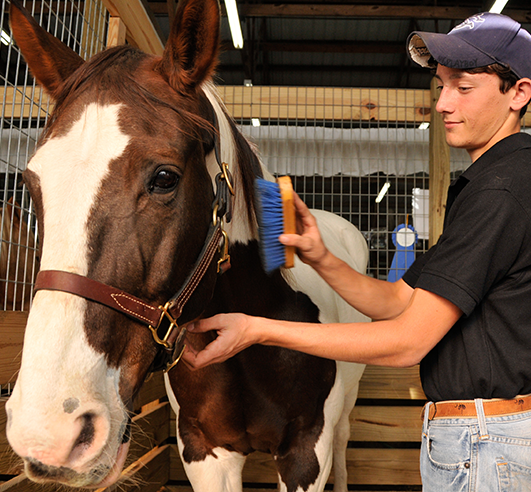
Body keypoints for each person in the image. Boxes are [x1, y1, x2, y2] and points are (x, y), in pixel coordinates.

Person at [182, 12, 531, 491]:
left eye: (463, 88)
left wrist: (258, 330)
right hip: (475, 438)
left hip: (487, 442)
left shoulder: (503, 191)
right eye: (441, 86)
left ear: (519, 93)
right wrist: (320, 255)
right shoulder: (486, 186)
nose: (444, 104)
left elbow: (408, 339)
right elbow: (396, 301)